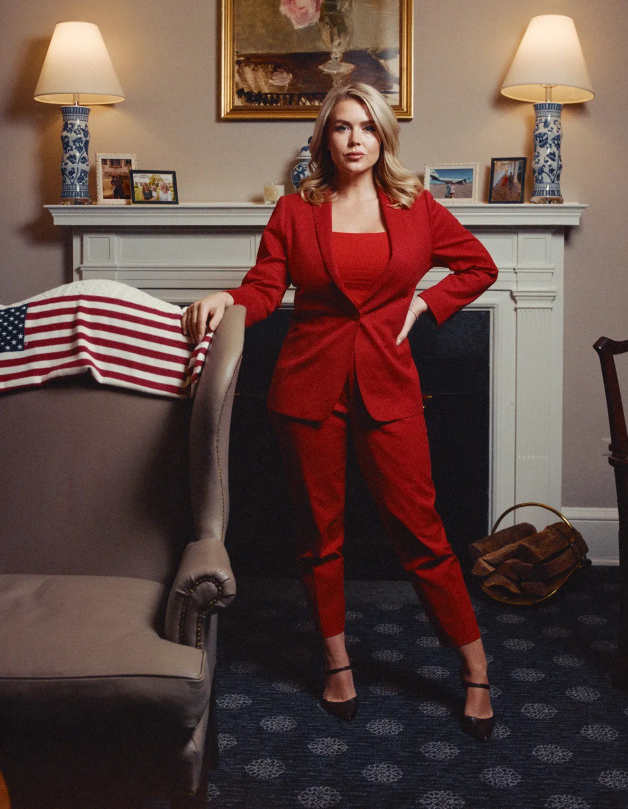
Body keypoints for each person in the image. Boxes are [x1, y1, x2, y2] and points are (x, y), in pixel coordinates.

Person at [182, 82, 499, 740]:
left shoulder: (416, 207)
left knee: (423, 532)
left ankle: (474, 667)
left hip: (388, 384)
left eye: (367, 127)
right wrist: (228, 296)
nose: (355, 139)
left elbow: (477, 266)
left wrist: (427, 305)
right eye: (342, 127)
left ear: (384, 138)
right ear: (325, 137)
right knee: (319, 534)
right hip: (308, 388)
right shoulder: (298, 210)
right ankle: (337, 665)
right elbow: (268, 287)